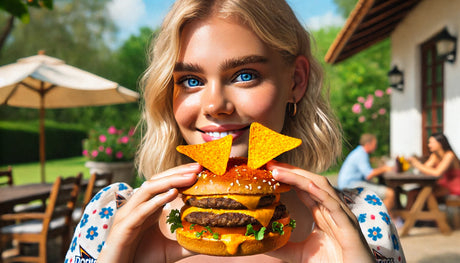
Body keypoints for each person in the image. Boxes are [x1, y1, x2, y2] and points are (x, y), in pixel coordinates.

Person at [65, 0, 404, 262]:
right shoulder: (110, 217)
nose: (215, 105)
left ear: (296, 82)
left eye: (245, 75)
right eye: (191, 81)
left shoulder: (364, 222)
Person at [338, 134, 396, 211]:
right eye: (374, 144)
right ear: (368, 144)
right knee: (390, 193)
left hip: (348, 185)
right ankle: (381, 220)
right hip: (350, 186)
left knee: (380, 188)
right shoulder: (361, 154)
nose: (376, 147)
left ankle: (386, 217)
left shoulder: (359, 152)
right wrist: (385, 169)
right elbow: (369, 174)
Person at [406, 133, 460, 207]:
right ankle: (407, 217)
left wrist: (417, 164)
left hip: (452, 188)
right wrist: (416, 164)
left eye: (432, 142)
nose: (429, 145)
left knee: (421, 195)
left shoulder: (449, 155)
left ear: (440, 143)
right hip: (440, 186)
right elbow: (424, 169)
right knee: (412, 193)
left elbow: (437, 173)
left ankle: (413, 217)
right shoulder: (435, 156)